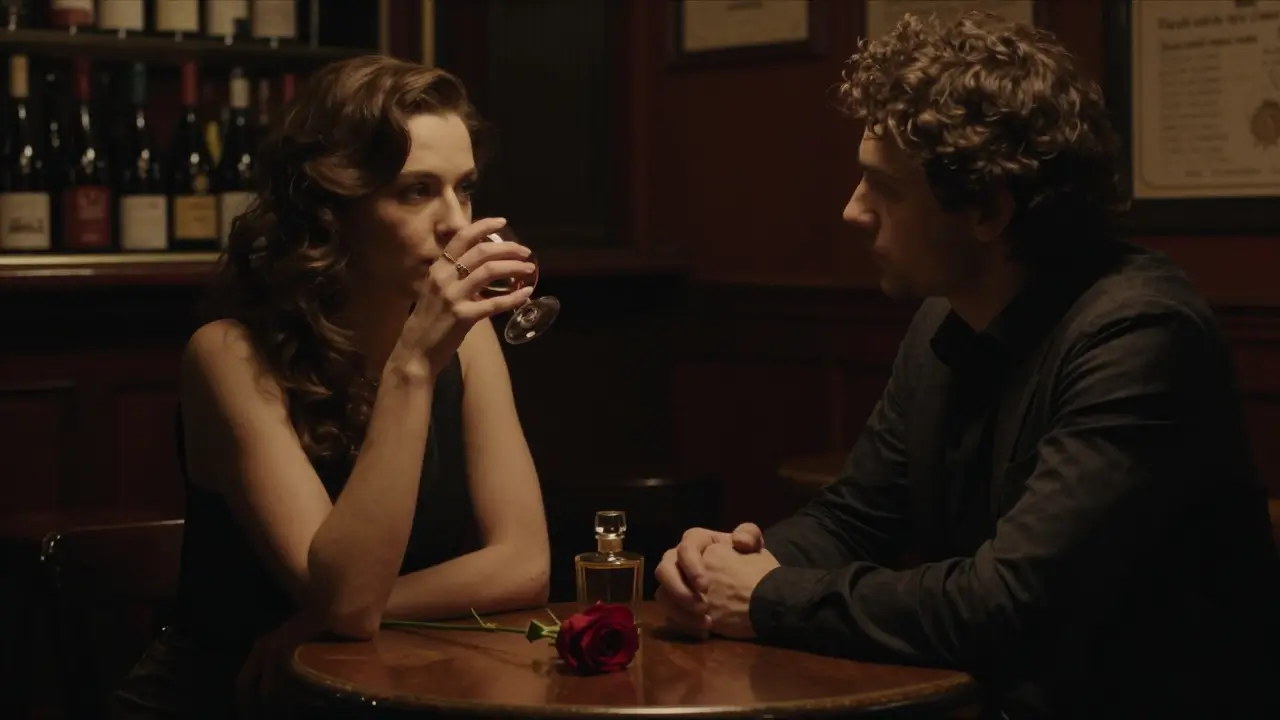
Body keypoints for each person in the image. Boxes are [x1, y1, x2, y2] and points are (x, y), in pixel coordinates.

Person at [654, 12, 1280, 719]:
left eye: (884, 187)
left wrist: (769, 596)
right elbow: (857, 517)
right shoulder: (946, 317)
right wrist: (724, 563)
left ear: (986, 211)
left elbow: (1009, 601)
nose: (853, 211)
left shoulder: (1139, 335)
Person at [113, 55, 551, 717]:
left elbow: (524, 562)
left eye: (464, 188)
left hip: (370, 687)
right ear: (333, 208)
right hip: (231, 698)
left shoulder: (471, 340)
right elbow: (346, 598)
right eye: (415, 191)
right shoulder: (229, 355)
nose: (457, 224)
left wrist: (328, 619)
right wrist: (412, 367)